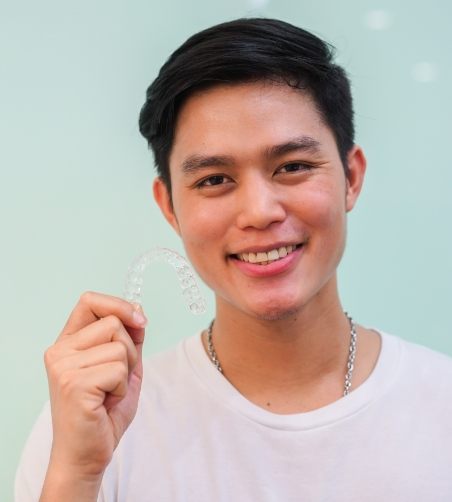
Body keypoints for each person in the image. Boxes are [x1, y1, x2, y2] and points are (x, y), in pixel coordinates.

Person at [15, 17, 452, 502]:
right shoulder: (94, 429)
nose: (260, 212)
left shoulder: (441, 405)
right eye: (214, 180)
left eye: (293, 167)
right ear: (170, 207)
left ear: (351, 177)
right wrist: (76, 474)